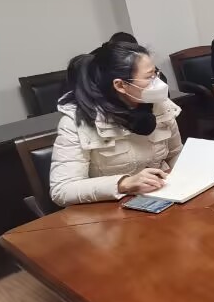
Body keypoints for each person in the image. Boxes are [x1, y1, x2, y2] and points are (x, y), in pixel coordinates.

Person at [50, 42, 182, 207]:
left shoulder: (160, 105)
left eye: (156, 73)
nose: (157, 82)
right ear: (120, 85)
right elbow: (62, 189)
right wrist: (123, 184)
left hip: (162, 196)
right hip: (111, 209)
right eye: (149, 77)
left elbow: (176, 154)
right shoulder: (78, 121)